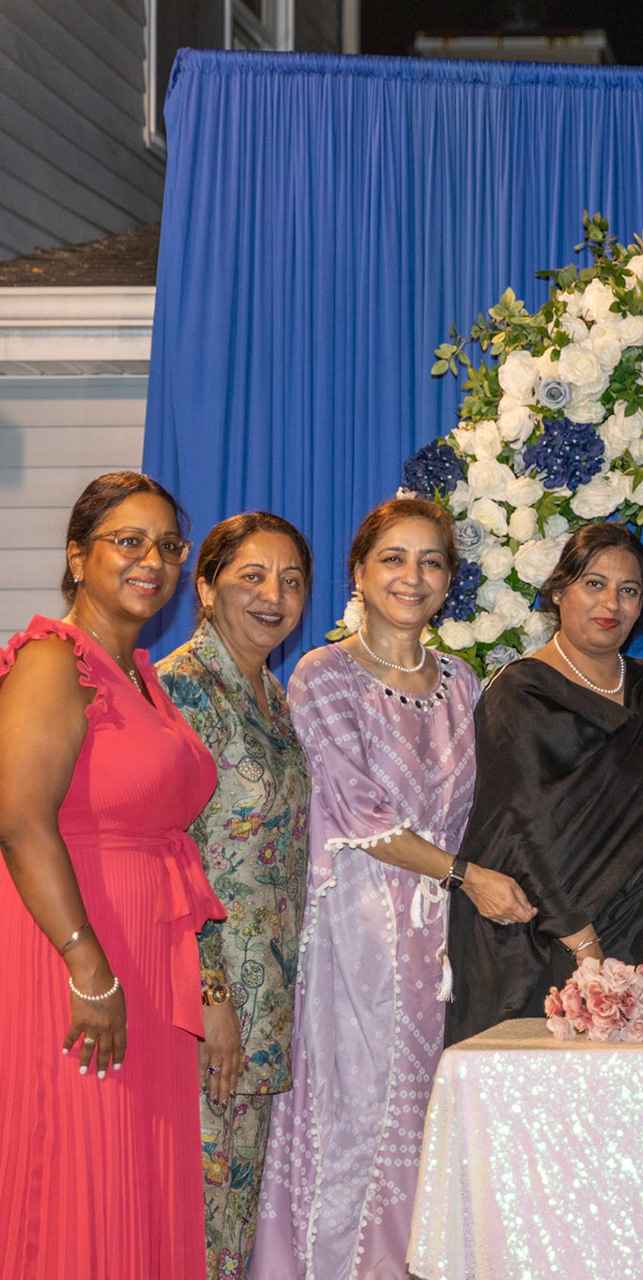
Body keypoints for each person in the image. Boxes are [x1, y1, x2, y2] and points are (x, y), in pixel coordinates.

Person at [251, 497, 534, 1280]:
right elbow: (356, 811)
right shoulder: (324, 675)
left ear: (449, 580)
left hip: (439, 944)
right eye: (394, 559)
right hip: (354, 932)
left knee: (422, 1122)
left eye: (432, 561)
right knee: (352, 1117)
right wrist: (466, 876)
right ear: (359, 573)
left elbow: (484, 810)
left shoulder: (463, 682)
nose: (413, 576)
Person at [0, 471, 223, 1278]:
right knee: (78, 1171)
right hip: (76, 953)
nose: (152, 561)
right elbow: (20, 820)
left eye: (167, 546)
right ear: (77, 556)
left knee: (138, 1178)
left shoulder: (140, 674)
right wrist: (87, 965)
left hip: (147, 956)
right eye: (128, 541)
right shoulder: (51, 662)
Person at [447, 523, 643, 1043]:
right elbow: (523, 830)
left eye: (629, 590)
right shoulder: (520, 693)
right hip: (541, 944)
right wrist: (585, 949)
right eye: (594, 584)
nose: (612, 604)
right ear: (559, 591)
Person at [155, 512, 315, 1278]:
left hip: (263, 1003)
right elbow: (167, 851)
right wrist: (209, 995)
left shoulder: (271, 693)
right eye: (252, 576)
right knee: (188, 1213)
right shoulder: (179, 689)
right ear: (207, 585)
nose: (272, 596)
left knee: (230, 1219)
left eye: (291, 581)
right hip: (202, 1006)